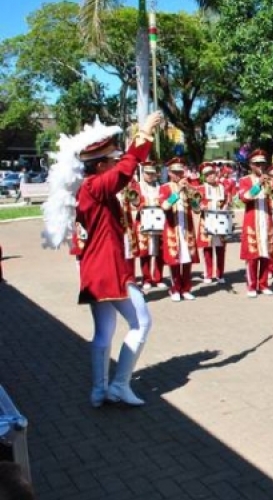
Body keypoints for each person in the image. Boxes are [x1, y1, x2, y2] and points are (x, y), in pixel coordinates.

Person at [73, 111, 163, 407]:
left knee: (104, 331)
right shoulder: (94, 186)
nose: (114, 163)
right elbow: (125, 171)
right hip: (109, 270)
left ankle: (99, 390)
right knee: (142, 323)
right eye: (110, 161)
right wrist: (145, 134)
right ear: (99, 166)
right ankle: (120, 385)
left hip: (95, 270)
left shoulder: (88, 189)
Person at [159, 158, 201, 302]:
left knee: (187, 258)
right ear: (170, 173)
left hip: (187, 228)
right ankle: (175, 289)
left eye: (180, 172)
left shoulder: (189, 187)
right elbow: (165, 206)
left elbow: (197, 209)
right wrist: (178, 192)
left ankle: (186, 288)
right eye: (175, 172)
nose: (178, 175)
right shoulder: (165, 188)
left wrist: (192, 196)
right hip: (173, 228)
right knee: (175, 260)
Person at [238, 149, 273, 297]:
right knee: (252, 256)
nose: (261, 166)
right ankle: (252, 286)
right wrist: (258, 185)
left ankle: (264, 283)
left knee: (266, 254)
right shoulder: (245, 180)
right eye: (257, 164)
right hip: (252, 221)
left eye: (262, 163)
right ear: (251, 165)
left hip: (266, 219)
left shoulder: (270, 180)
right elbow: (244, 198)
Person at [135, 162, 167, 290]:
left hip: (159, 220)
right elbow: (135, 202)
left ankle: (158, 278)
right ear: (143, 174)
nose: (150, 176)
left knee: (159, 250)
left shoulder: (160, 186)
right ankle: (146, 278)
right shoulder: (138, 186)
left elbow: (164, 200)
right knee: (145, 251)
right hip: (143, 221)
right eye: (147, 173)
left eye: (152, 173)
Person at [197, 162, 230, 284]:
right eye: (207, 174)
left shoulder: (222, 187)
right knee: (207, 248)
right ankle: (208, 274)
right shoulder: (200, 188)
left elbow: (227, 200)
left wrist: (226, 206)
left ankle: (220, 274)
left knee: (221, 248)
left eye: (212, 173)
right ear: (204, 176)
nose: (210, 176)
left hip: (221, 220)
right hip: (207, 220)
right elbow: (196, 203)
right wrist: (201, 206)